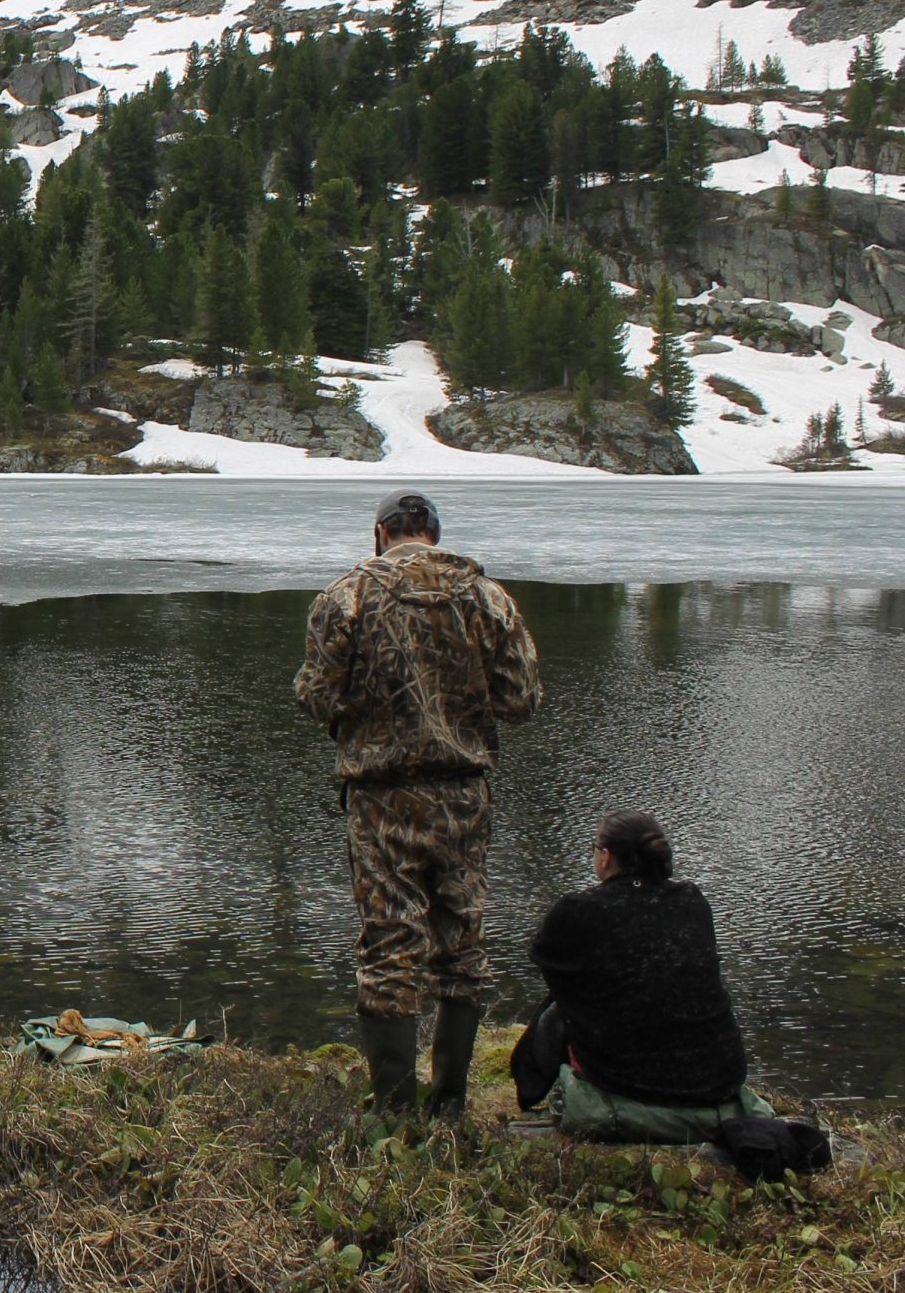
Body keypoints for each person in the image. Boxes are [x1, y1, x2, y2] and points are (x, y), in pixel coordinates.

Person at [295, 489, 542, 1116]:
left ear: (380, 534)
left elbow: (317, 699)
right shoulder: (488, 598)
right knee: (461, 943)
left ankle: (396, 1111)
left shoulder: (344, 597)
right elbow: (521, 702)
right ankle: (452, 1103)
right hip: (464, 796)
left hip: (381, 798)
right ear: (434, 532)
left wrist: (361, 706)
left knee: (387, 944)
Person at [509, 811, 767, 1141]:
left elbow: (548, 965)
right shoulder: (692, 900)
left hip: (628, 1077)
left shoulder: (578, 910)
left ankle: (530, 1091)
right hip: (717, 1077)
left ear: (605, 856)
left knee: (559, 1006)